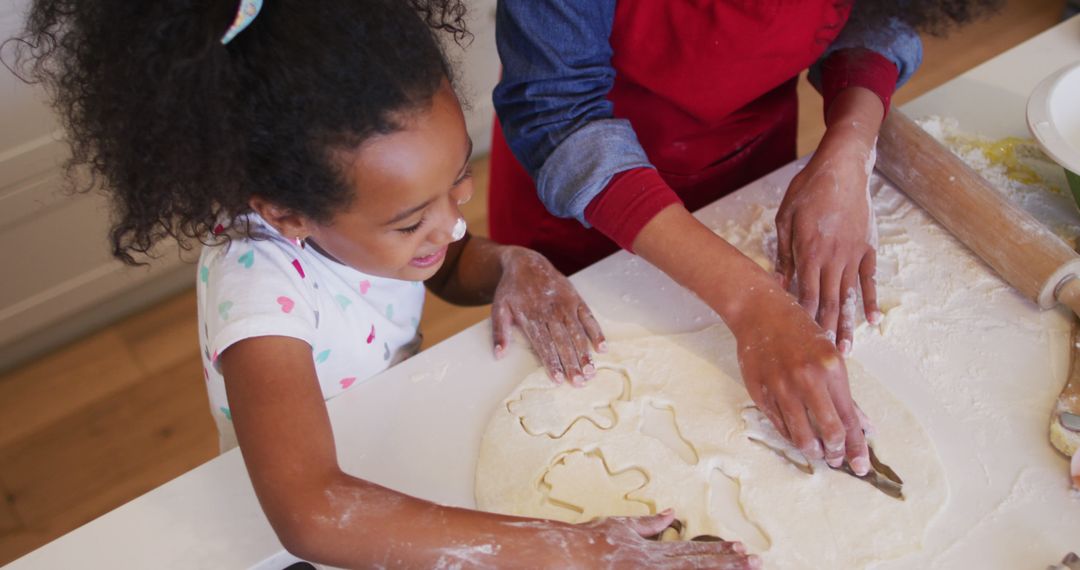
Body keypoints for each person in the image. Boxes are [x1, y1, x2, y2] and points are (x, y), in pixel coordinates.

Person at [9, 0, 763, 567]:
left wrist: (503, 265)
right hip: (332, 515)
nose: (446, 224)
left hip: (400, 447)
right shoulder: (256, 296)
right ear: (288, 214)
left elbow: (443, 268)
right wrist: (570, 550)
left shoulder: (395, 213)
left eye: (459, 182)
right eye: (411, 222)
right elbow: (311, 511)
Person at [490, 0, 998, 476]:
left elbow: (876, 14)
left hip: (747, 167)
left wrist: (850, 146)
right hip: (589, 206)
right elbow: (557, 109)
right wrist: (753, 302)